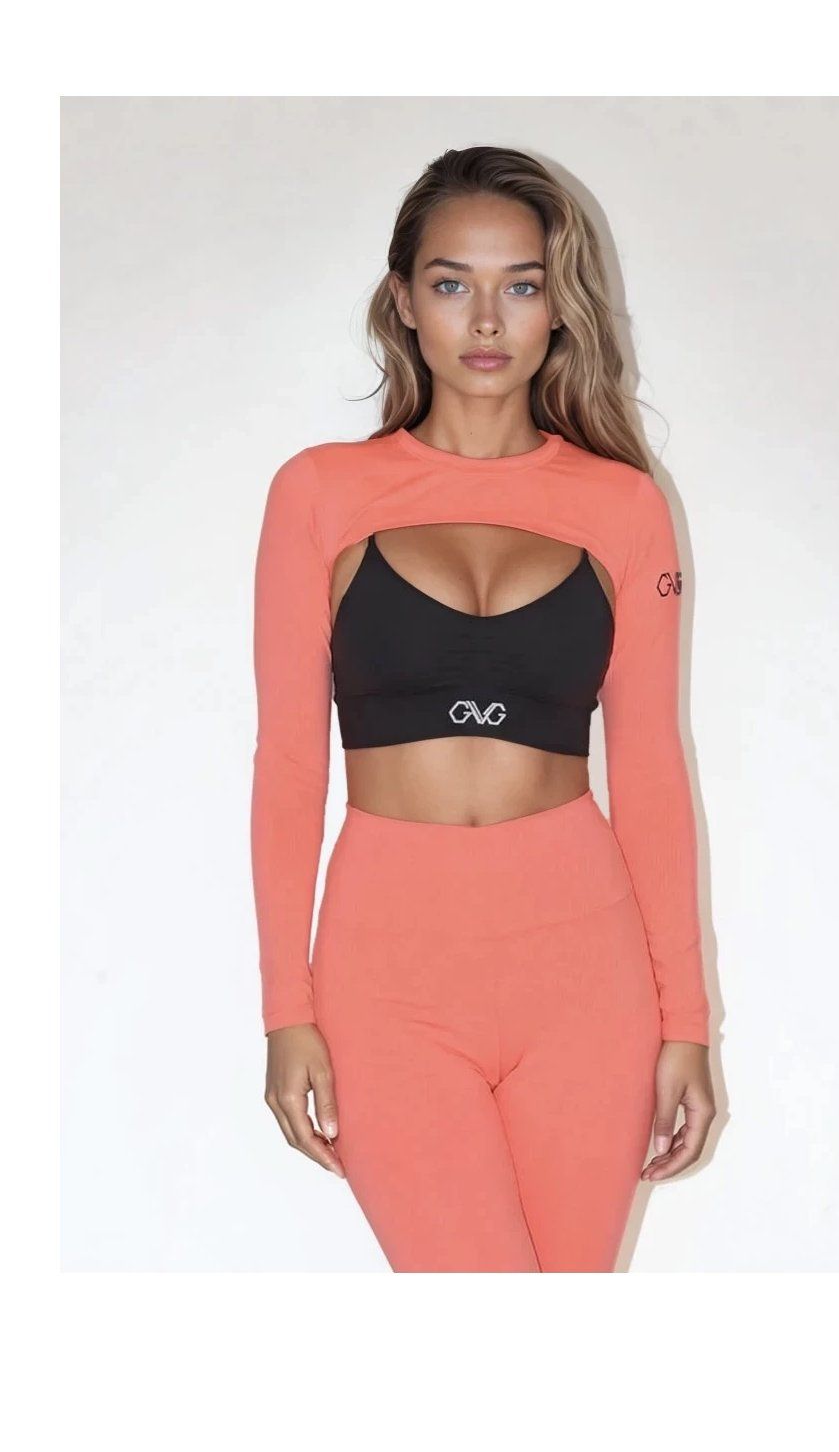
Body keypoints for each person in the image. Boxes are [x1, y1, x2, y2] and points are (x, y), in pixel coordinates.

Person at [250, 145, 716, 1272]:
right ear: (404, 301)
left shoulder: (623, 506)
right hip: (388, 968)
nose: (488, 319)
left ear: (560, 305)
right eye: (453, 282)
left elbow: (651, 771)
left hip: (584, 965)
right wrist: (284, 1009)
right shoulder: (319, 492)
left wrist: (687, 1025)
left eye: (523, 284)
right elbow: (289, 766)